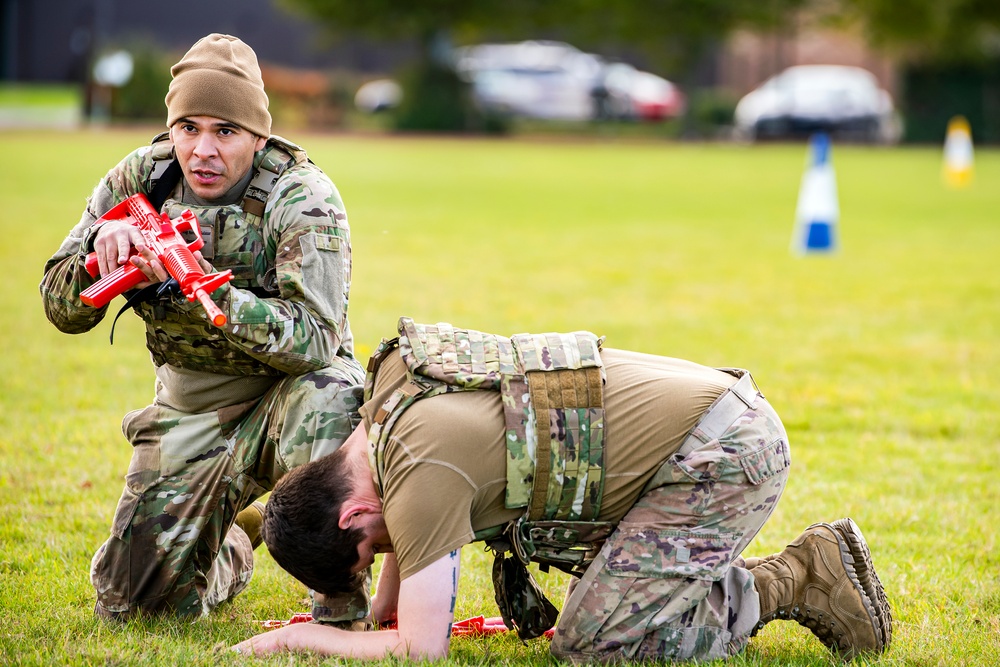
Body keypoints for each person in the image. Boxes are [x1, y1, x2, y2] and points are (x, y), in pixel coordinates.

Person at [232, 318, 892, 661]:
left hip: (720, 455)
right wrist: (380, 605)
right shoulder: (386, 405)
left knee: (594, 644)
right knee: (594, 612)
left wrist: (295, 641)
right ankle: (714, 579)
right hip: (706, 423)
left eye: (371, 549)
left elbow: (421, 647)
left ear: (354, 510)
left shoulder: (417, 480)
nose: (387, 552)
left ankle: (795, 576)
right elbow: (407, 529)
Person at [40, 33, 369, 625]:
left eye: (226, 131)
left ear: (257, 136)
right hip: (190, 411)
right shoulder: (141, 180)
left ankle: (338, 600)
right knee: (133, 605)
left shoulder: (302, 195)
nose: (203, 151)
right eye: (188, 128)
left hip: (285, 401)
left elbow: (316, 341)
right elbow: (59, 307)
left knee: (332, 396)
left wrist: (207, 292)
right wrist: (100, 262)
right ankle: (238, 539)